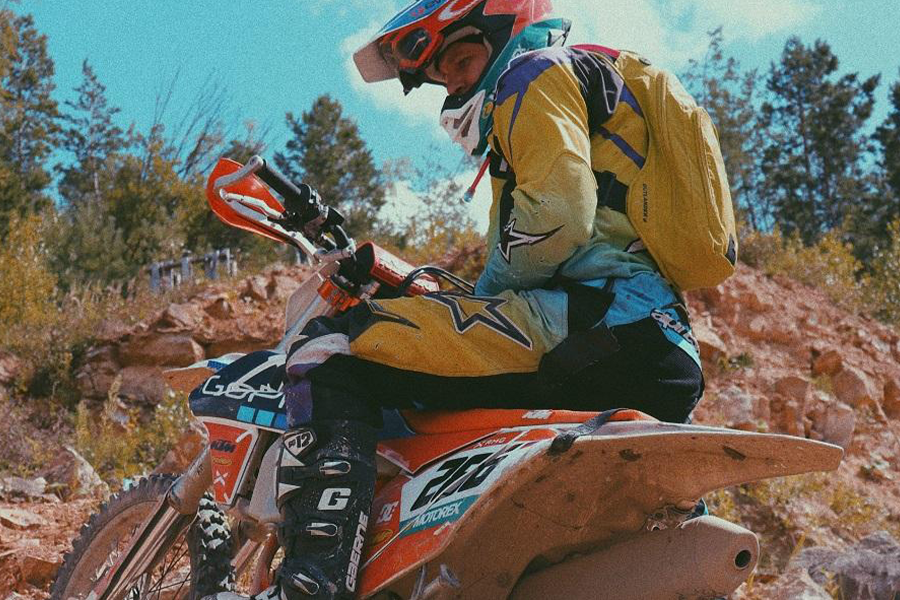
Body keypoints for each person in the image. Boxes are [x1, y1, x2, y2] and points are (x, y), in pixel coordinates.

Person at [213, 1, 704, 599]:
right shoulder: (590, 91)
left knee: (331, 349)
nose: (457, 83)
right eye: (445, 77)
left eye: (464, 61)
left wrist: (478, 296)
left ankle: (313, 584)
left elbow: (558, 220)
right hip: (655, 342)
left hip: (592, 326)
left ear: (508, 32)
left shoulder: (534, 74)